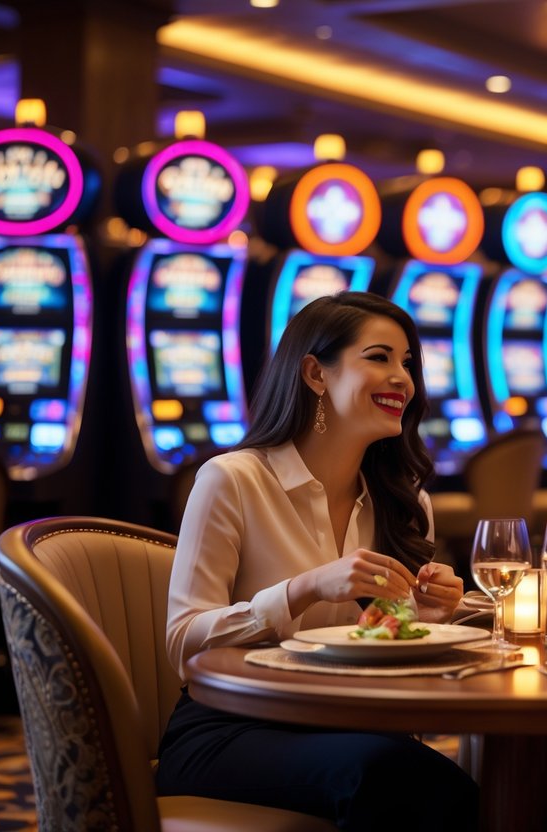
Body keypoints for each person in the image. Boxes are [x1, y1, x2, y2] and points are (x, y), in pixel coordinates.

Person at [156, 292, 478, 831]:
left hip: (354, 724)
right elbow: (182, 640)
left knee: (450, 788)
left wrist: (429, 613)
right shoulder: (232, 480)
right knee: (408, 782)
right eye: (379, 357)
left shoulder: (407, 502)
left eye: (407, 363)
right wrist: (303, 588)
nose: (402, 377)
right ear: (315, 374)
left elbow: (382, 647)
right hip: (233, 728)